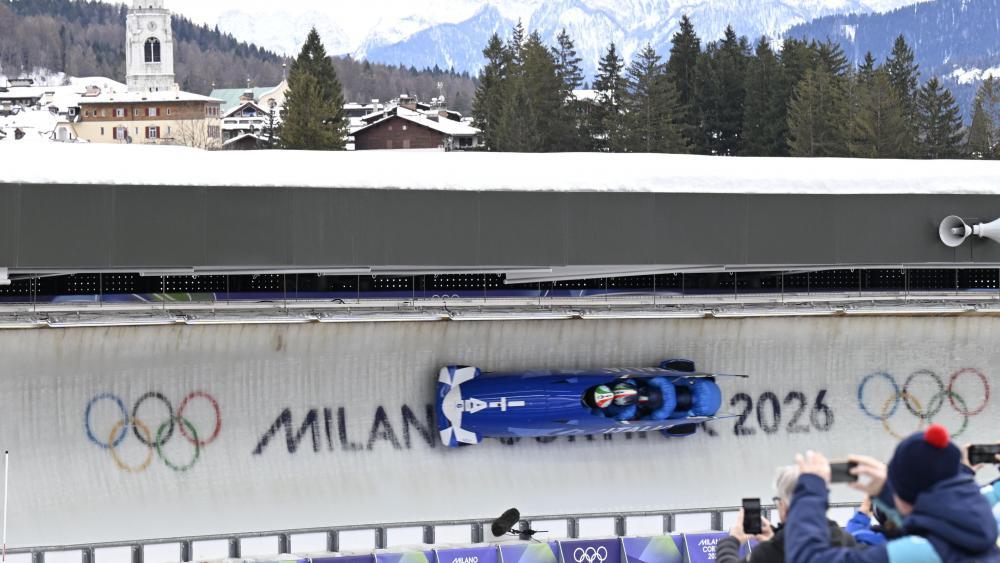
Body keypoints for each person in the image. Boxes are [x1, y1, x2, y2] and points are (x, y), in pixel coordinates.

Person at [786, 424, 1000, 562]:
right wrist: (888, 492)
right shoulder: (979, 526)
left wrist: (809, 491)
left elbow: (809, 558)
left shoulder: (920, 554)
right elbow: (933, 520)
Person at [716, 465, 856, 562]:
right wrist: (777, 536)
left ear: (783, 505)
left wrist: (731, 541)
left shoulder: (768, 554)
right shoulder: (847, 542)